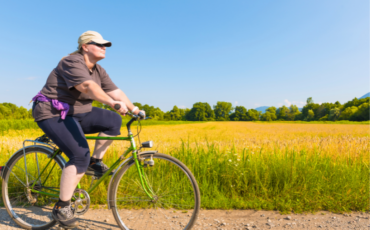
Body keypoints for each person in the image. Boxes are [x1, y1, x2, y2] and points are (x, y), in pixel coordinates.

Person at [31, 31, 145, 228]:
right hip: (52, 112)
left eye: (106, 45)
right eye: (99, 44)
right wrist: (111, 102)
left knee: (113, 121)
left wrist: (134, 108)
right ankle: (62, 207)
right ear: (85, 46)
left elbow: (115, 91)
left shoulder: (99, 70)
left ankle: (95, 162)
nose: (104, 47)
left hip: (78, 113)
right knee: (79, 155)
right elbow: (86, 86)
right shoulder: (71, 62)